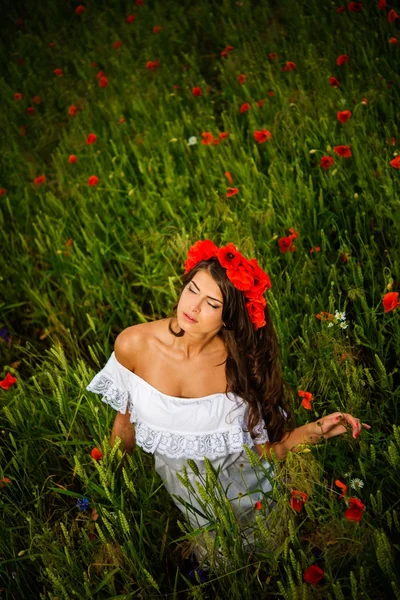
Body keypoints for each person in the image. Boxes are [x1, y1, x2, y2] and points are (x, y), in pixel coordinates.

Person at [86, 239, 370, 562]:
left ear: (229, 317)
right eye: (192, 290)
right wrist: (108, 494)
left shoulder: (240, 367)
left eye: (212, 303)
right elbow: (124, 426)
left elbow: (266, 451)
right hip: (195, 508)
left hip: (254, 500)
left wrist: (318, 429)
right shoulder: (134, 344)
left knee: (273, 565)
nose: (192, 307)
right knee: (215, 567)